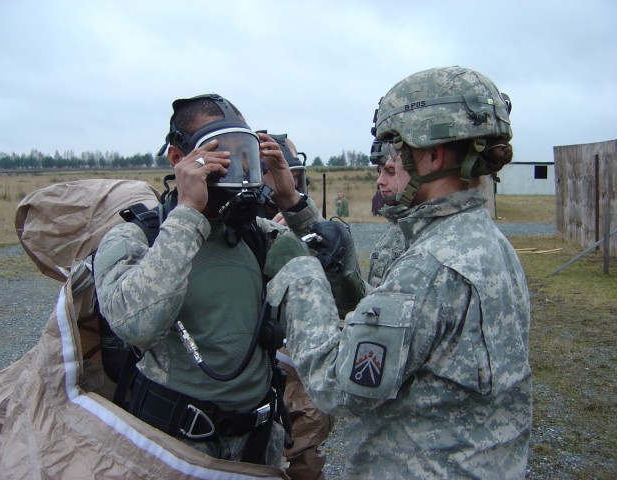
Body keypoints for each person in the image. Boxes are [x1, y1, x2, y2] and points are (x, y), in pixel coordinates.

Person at [263, 66, 532, 478]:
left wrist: (301, 276)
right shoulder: (485, 242)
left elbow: (339, 386)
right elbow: (392, 321)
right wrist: (298, 208)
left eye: (395, 147)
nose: (387, 161)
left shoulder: (430, 267)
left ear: (430, 154)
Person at [93, 94, 319, 467]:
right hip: (174, 450)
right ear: (178, 160)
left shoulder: (258, 236)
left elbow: (341, 293)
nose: (234, 169)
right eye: (218, 155)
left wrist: (292, 202)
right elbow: (135, 326)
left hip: (258, 446)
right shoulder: (136, 239)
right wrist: (187, 213)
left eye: (243, 154)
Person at [258, 132, 334, 480]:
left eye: (293, 177)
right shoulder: (239, 228)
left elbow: (338, 290)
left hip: (298, 376)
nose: (286, 185)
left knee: (302, 454)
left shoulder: (306, 221)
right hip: (255, 372)